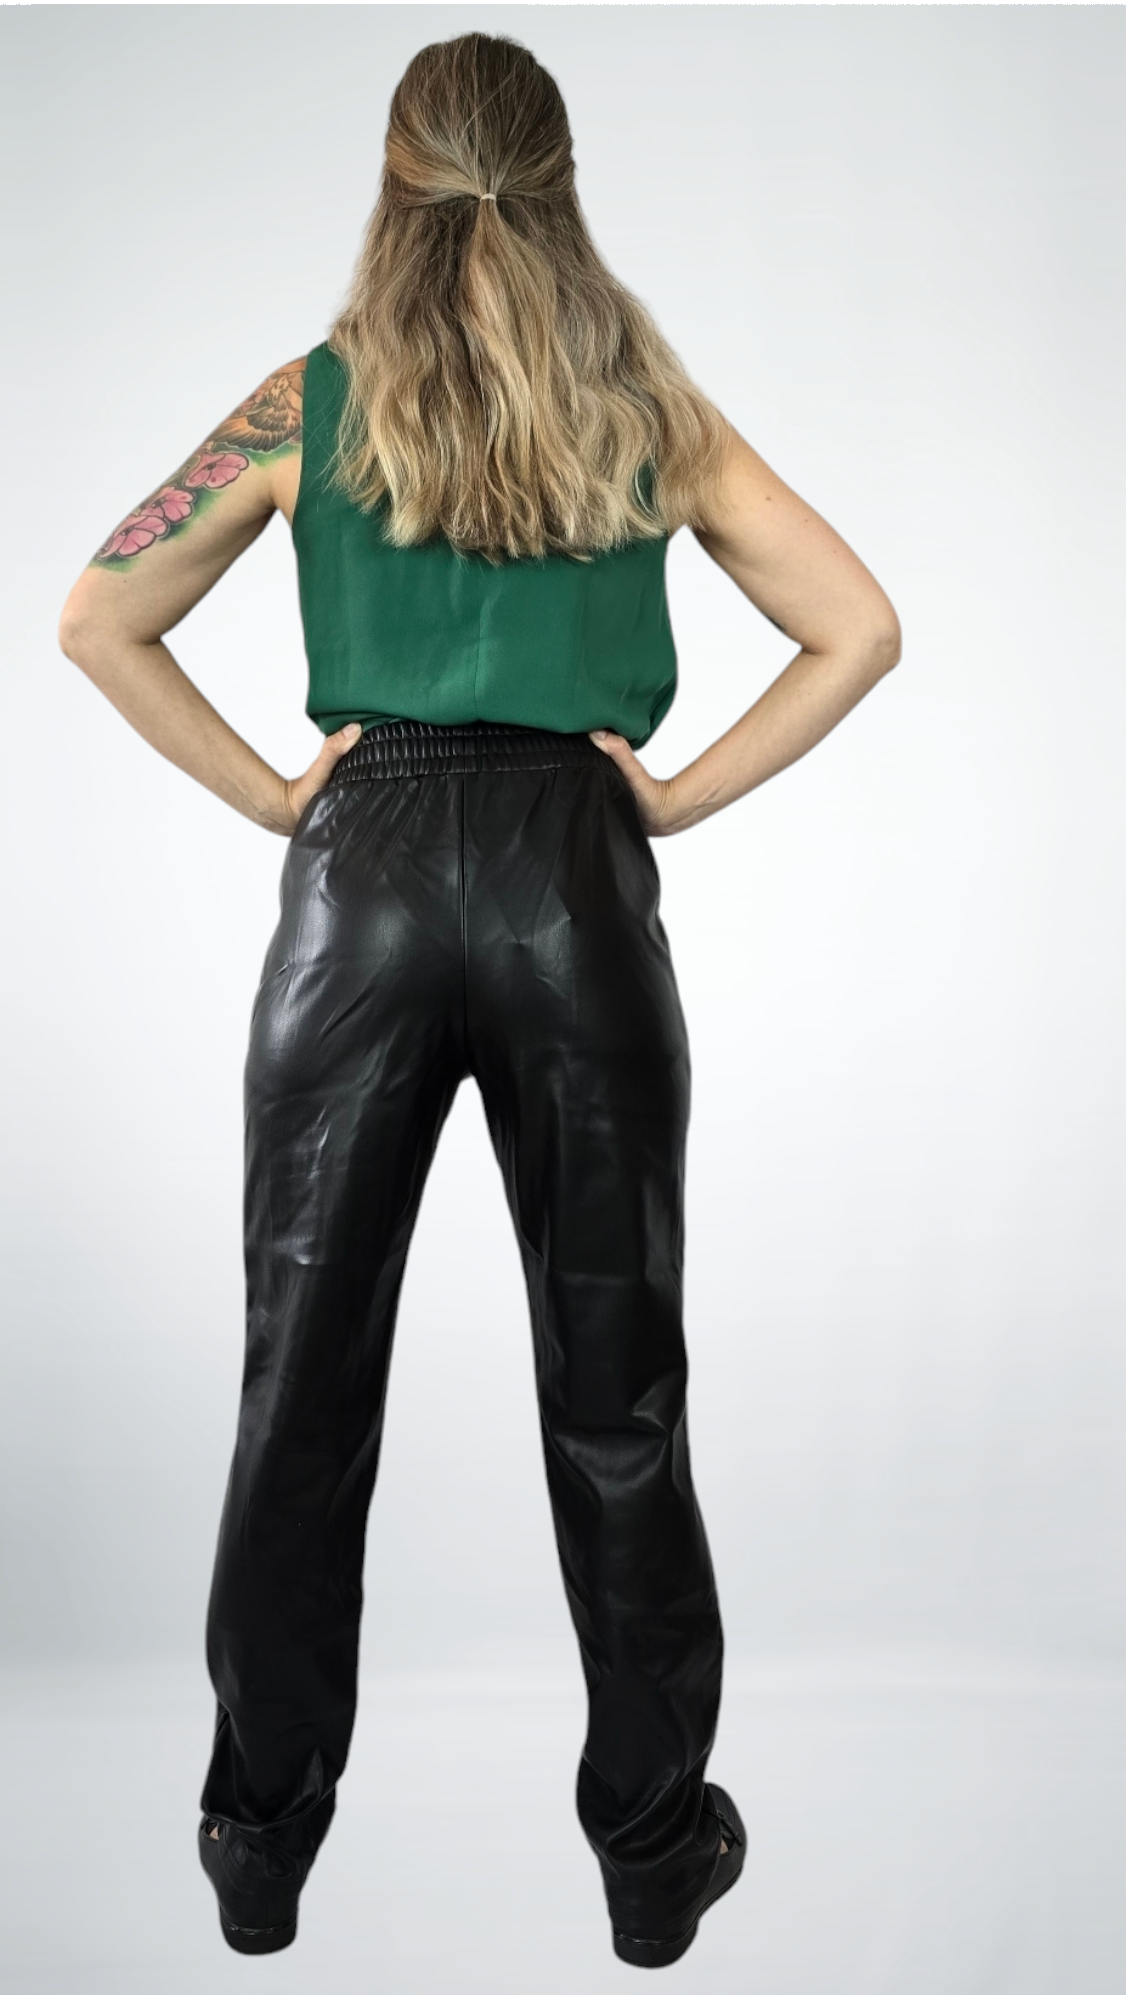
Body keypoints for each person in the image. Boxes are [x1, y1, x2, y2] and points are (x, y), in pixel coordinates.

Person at [59, 31, 900, 1970]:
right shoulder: (644, 405)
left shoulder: (305, 403)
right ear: (560, 181)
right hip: (571, 898)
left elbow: (98, 612)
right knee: (617, 1394)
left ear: (393, 179)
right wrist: (667, 795)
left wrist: (281, 795)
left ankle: (256, 1850)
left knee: (300, 1387)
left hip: (353, 897)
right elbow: (856, 623)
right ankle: (652, 1858)